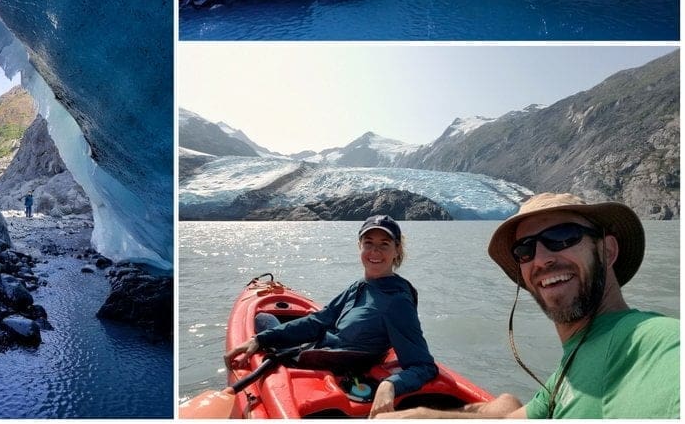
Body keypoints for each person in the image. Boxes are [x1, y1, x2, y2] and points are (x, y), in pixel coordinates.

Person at [378, 193, 680, 419]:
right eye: (525, 250)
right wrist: (422, 416)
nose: (541, 258)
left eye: (562, 237)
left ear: (607, 250)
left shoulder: (654, 343)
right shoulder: (566, 372)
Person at [224, 215, 438, 417]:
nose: (375, 251)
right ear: (360, 247)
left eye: (384, 244)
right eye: (369, 243)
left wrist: (390, 384)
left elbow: (423, 365)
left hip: (335, 363)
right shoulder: (360, 286)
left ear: (397, 250)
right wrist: (262, 339)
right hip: (319, 348)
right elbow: (320, 320)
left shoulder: (398, 301)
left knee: (263, 321)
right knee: (263, 322)